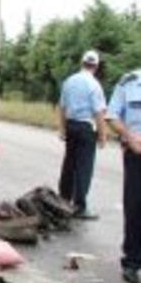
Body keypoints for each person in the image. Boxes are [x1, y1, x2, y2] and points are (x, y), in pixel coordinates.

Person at [56, 49, 107, 220]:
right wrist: (102, 135)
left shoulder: (70, 81)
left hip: (71, 126)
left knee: (69, 164)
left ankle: (63, 199)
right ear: (96, 66)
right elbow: (99, 112)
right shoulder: (94, 85)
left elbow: (62, 107)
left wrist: (62, 128)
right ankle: (79, 206)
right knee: (84, 167)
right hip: (86, 127)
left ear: (82, 63)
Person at [106, 67, 141, 283]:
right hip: (136, 154)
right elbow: (112, 115)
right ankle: (132, 261)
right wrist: (129, 136)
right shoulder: (129, 82)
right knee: (135, 207)